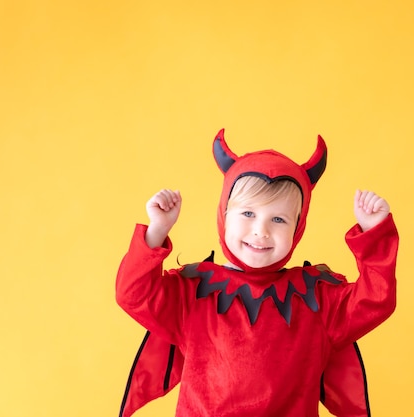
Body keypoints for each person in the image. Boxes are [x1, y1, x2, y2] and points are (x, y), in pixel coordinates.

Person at [116, 129, 399, 417]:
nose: (261, 231)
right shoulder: (194, 292)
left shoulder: (318, 299)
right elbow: (133, 294)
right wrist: (157, 231)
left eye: (278, 219)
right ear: (224, 214)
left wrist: (374, 235)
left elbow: (376, 300)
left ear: (298, 228)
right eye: (248, 214)